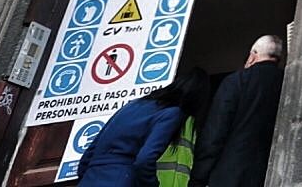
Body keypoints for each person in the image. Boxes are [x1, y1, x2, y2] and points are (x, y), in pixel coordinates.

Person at [77, 70, 208, 187]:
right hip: (123, 178)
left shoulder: (132, 105)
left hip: (90, 178)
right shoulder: (172, 113)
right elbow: (144, 160)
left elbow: (87, 157)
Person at [189, 35, 284, 187]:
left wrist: (198, 177)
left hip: (230, 175)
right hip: (273, 175)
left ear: (253, 56)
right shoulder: (287, 83)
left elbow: (216, 131)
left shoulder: (237, 81)